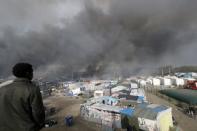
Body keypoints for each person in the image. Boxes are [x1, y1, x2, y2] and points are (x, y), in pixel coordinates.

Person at [0, 63, 45, 131]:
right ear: (27, 73)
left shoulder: (2, 89)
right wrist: (40, 124)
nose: (32, 74)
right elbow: (38, 113)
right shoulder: (32, 89)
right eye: (32, 72)